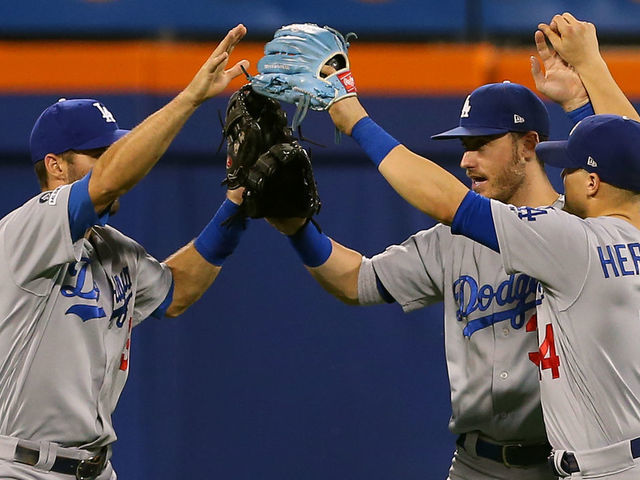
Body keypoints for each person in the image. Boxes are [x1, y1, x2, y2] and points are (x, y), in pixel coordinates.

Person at [269, 14, 639, 480]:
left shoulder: (577, 230)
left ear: (529, 144)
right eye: (465, 144)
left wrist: (353, 116)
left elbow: (622, 168)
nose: (467, 158)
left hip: (563, 462)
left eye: (482, 143)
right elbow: (357, 280)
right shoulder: (457, 241)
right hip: (477, 463)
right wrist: (297, 229)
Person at [0, 24, 250, 480]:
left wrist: (236, 206)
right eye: (102, 152)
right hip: (19, 466)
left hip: (95, 469)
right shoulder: (26, 228)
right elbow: (111, 180)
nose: (115, 158)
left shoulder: (110, 247)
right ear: (56, 165)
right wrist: (191, 98)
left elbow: (175, 292)